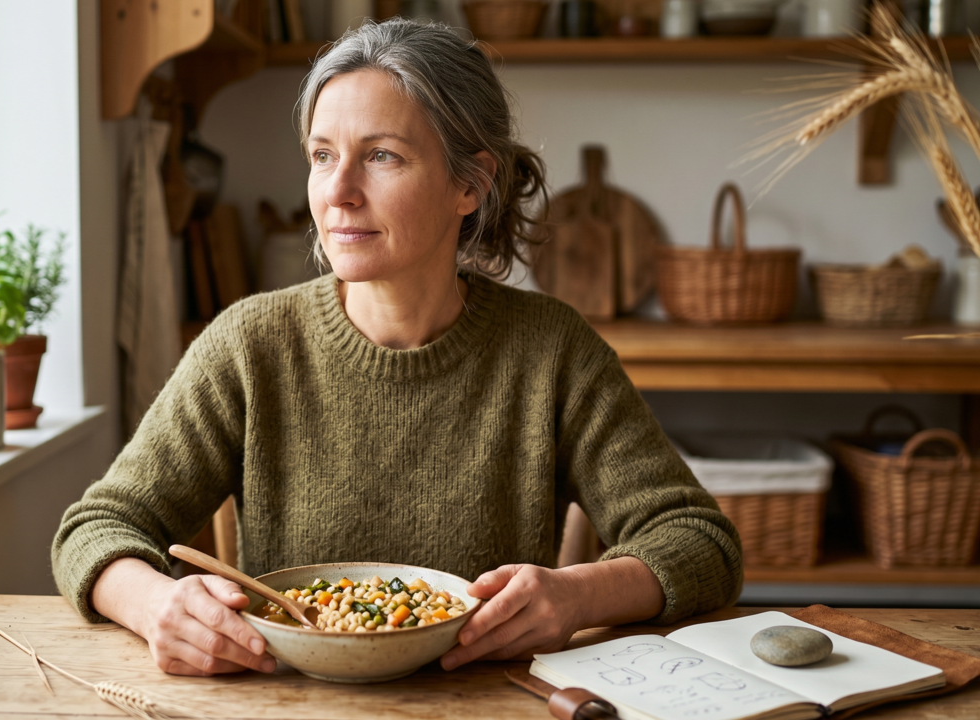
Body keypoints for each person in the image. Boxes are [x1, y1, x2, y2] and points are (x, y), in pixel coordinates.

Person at [53, 18, 742, 678]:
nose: (338, 193)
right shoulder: (248, 344)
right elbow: (97, 527)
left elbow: (700, 543)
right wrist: (155, 606)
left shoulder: (552, 351)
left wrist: (575, 596)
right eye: (323, 156)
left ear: (469, 184)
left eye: (381, 156)